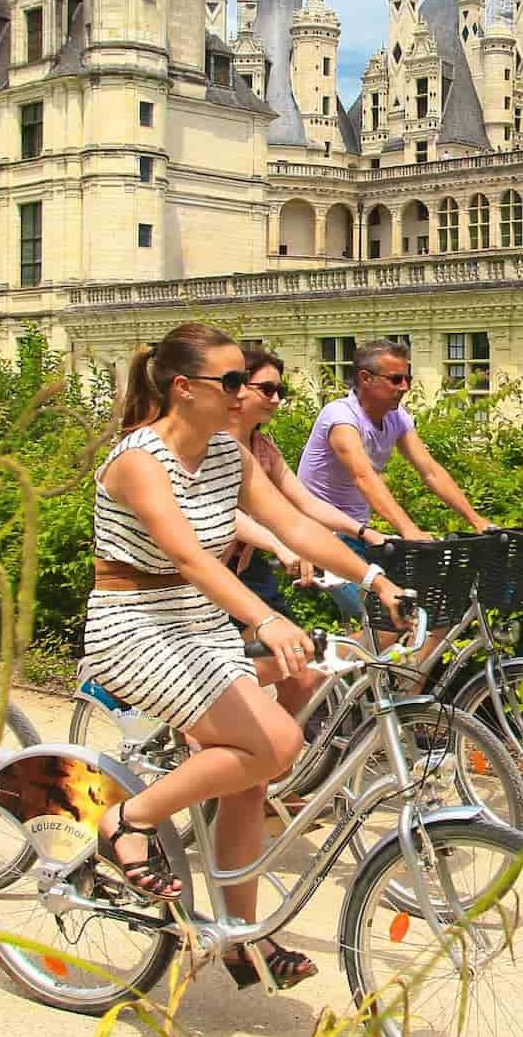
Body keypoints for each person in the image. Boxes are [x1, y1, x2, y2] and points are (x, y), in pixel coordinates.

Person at [83, 322, 401, 990]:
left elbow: (295, 526)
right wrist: (265, 614)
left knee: (251, 771)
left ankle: (240, 940)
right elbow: (190, 556)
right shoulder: (139, 458)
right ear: (182, 387)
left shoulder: (228, 455)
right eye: (230, 382)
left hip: (198, 624)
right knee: (278, 741)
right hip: (134, 625)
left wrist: (373, 578)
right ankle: (127, 820)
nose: (243, 393)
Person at [222, 342, 394, 731]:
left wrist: (362, 531)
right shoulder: (214, 447)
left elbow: (303, 503)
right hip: (206, 577)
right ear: (237, 387)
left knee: (302, 672)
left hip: (248, 575)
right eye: (268, 389)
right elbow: (222, 511)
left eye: (282, 391)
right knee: (227, 687)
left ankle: (274, 766)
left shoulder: (262, 447)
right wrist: (279, 545)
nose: (277, 399)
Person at [295, 338, 493, 624]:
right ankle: (337, 667)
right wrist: (408, 529)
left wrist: (476, 520)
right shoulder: (340, 417)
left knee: (434, 612)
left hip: (360, 534)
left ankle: (376, 666)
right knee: (390, 620)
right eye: (396, 379)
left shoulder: (397, 417)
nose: (405, 387)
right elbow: (363, 476)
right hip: (322, 538)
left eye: (407, 378)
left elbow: (430, 471)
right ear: (365, 378)